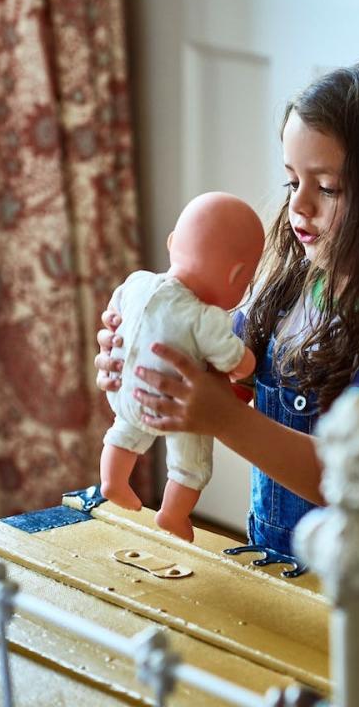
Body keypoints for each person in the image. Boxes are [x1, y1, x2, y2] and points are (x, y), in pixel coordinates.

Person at [94, 60, 359, 618]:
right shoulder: (286, 290)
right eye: (292, 180)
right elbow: (219, 382)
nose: (298, 205)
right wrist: (149, 368)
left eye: (327, 187)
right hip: (277, 558)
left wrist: (224, 419)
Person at [100, 192, 264, 542]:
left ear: (173, 243)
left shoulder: (138, 282)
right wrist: (246, 361)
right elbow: (233, 358)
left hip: (127, 391)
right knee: (192, 463)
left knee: (125, 432)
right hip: (178, 407)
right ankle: (173, 513)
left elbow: (114, 312)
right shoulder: (203, 317)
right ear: (236, 275)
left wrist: (115, 326)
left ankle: (113, 481)